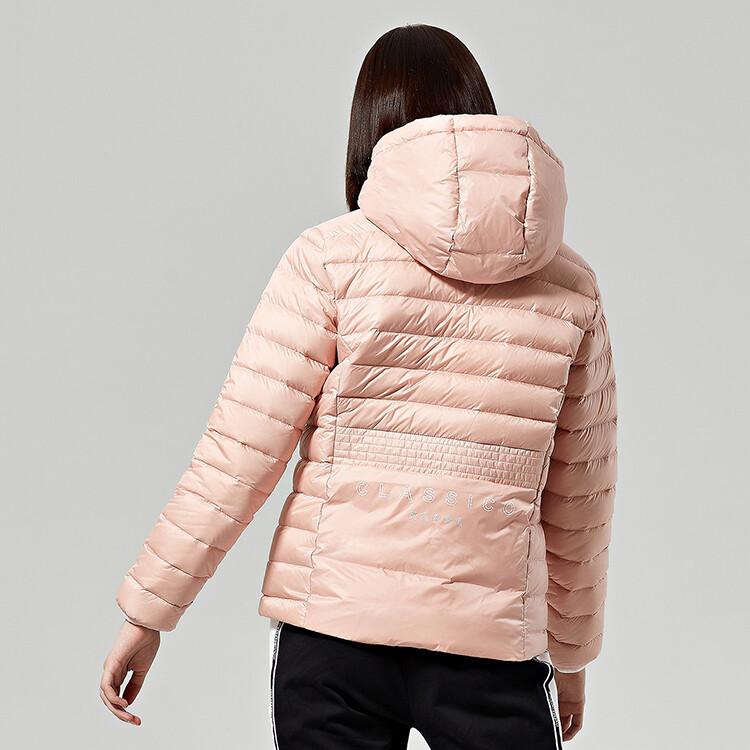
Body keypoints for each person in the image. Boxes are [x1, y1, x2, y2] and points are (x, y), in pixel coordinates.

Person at [100, 24, 617, 749]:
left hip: (333, 633)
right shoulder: (572, 286)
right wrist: (571, 656)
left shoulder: (328, 260)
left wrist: (149, 612)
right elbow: (581, 499)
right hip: (493, 646)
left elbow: (238, 455)